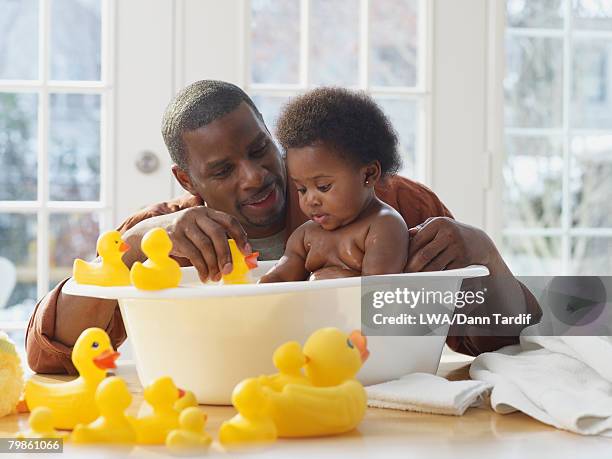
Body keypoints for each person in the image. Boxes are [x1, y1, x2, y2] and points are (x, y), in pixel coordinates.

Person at [26, 80, 541, 374]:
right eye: (223, 170)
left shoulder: (392, 204)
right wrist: (132, 249)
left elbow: (498, 339)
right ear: (187, 179)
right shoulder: (162, 236)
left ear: (273, 136)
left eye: (258, 150)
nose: (255, 177)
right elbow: (50, 355)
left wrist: (484, 254)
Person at [259, 87, 409, 282]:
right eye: (302, 189)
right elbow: (280, 279)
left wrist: (335, 285)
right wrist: (260, 287)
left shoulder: (383, 226)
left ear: (369, 174)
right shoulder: (306, 236)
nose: (310, 199)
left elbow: (378, 291)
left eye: (323, 187)